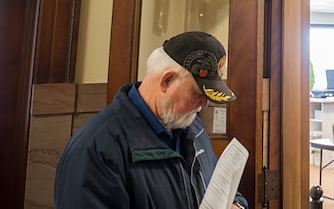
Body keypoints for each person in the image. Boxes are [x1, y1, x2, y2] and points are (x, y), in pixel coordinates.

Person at [54, 31, 248, 209]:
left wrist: (236, 205)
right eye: (198, 94)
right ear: (167, 81)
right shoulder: (95, 149)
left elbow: (219, 189)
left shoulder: (193, 128)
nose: (204, 104)